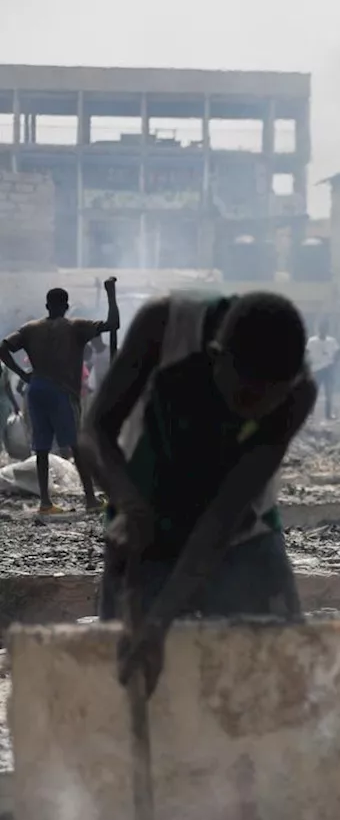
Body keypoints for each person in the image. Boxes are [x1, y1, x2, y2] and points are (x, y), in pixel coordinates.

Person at [81, 291, 316, 697]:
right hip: (146, 529)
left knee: (282, 680)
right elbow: (93, 431)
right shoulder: (165, 327)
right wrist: (130, 506)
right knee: (129, 679)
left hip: (243, 535)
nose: (252, 413)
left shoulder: (298, 394)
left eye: (267, 403)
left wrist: (160, 621)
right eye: (244, 397)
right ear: (216, 357)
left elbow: (223, 515)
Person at [0, 283, 119, 515]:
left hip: (36, 389)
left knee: (41, 448)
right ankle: (90, 499)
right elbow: (113, 324)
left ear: (47, 306)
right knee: (76, 444)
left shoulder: (29, 328)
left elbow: (3, 347)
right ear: (66, 306)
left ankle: (45, 502)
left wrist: (23, 374)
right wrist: (110, 294)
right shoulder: (76, 326)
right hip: (61, 390)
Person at [306, 320, 340, 420]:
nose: (323, 330)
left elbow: (338, 351)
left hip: (328, 369)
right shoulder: (312, 341)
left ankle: (328, 414)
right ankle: (310, 413)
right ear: (318, 329)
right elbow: (307, 353)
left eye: (325, 328)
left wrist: (334, 362)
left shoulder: (332, 341)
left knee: (329, 393)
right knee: (313, 392)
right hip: (316, 369)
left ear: (327, 329)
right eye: (321, 328)